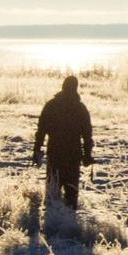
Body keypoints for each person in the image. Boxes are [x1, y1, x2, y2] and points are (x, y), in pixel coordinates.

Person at [33, 75, 93, 209]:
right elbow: (87, 135)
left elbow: (41, 130)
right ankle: (68, 225)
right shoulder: (80, 108)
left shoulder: (51, 105)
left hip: (55, 155)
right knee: (71, 199)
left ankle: (51, 226)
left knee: (52, 197)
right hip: (72, 157)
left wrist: (37, 150)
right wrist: (87, 155)